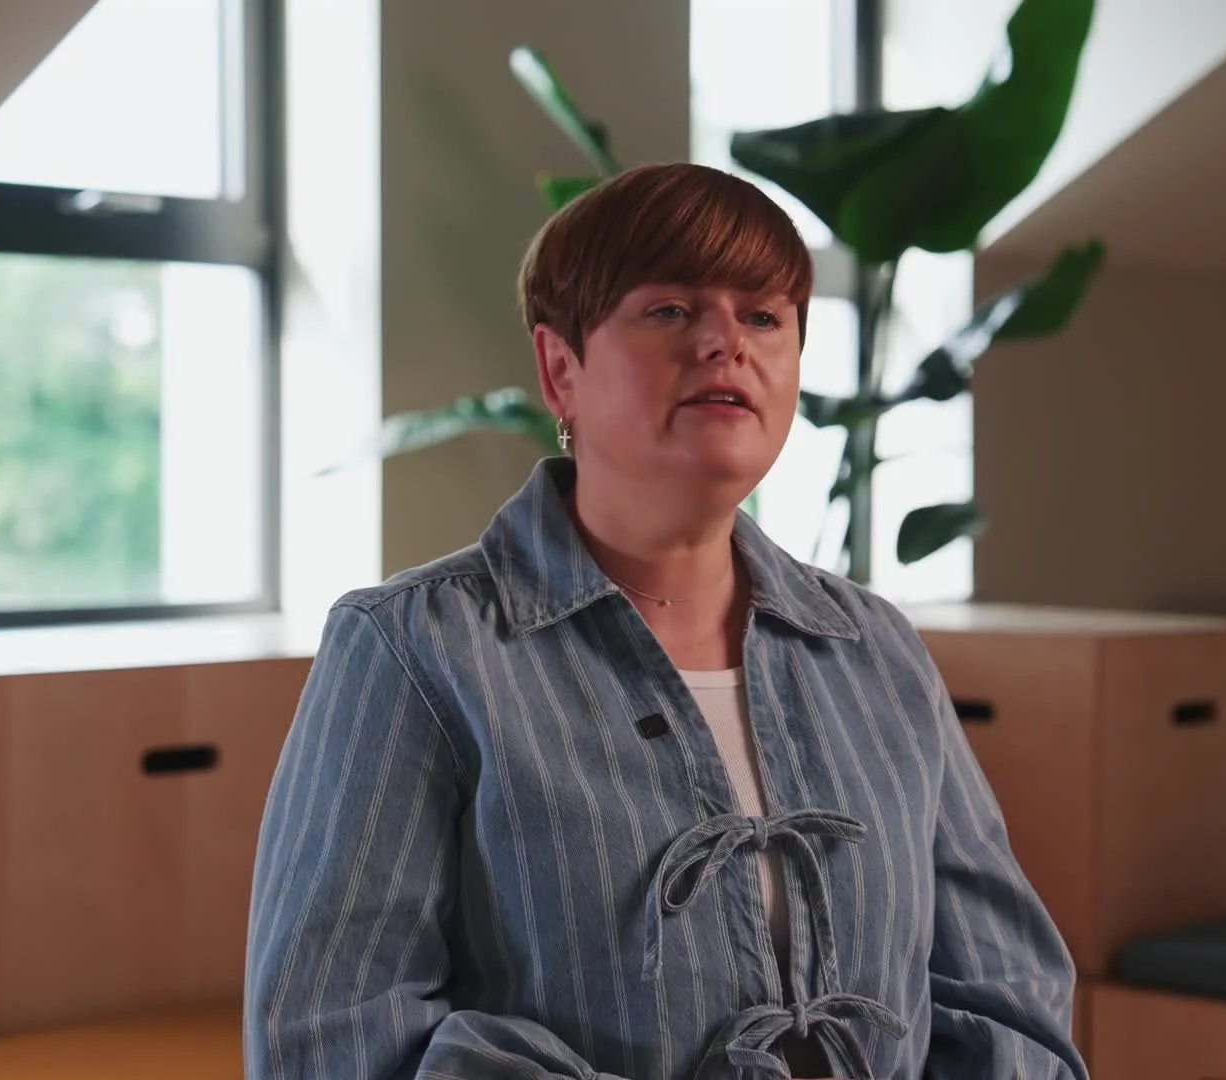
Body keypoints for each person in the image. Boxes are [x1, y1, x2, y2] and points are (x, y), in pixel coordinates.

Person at [244, 162, 1087, 1080]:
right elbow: (328, 1038)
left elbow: (1006, 994)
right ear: (560, 370)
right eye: (671, 310)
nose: (725, 342)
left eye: (763, 317)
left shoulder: (875, 649)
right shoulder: (414, 649)